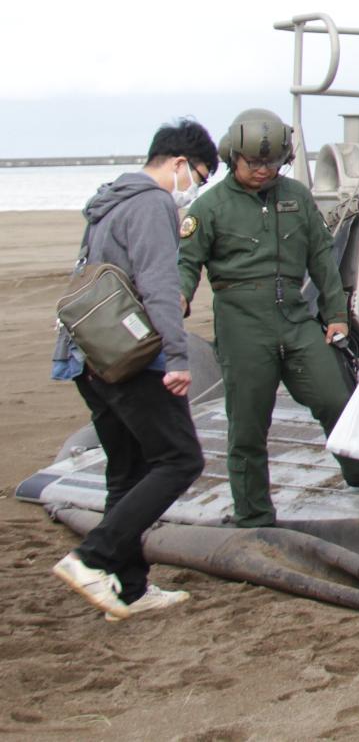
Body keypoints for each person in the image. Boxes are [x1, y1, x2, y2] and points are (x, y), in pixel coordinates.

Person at [177, 109, 359, 530]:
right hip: (242, 326)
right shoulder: (208, 208)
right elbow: (187, 264)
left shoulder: (296, 196)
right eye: (254, 163)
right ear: (233, 157)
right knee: (246, 425)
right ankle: (253, 511)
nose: (264, 170)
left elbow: (322, 256)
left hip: (296, 319)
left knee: (336, 398)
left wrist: (336, 315)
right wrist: (177, 297)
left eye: (272, 163)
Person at [50, 119, 219, 621]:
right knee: (180, 459)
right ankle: (91, 558)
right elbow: (160, 285)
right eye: (200, 176)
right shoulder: (151, 203)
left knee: (127, 469)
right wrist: (179, 358)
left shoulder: (109, 200)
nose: (196, 188)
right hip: (130, 360)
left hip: (89, 356)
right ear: (178, 164)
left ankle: (128, 587)